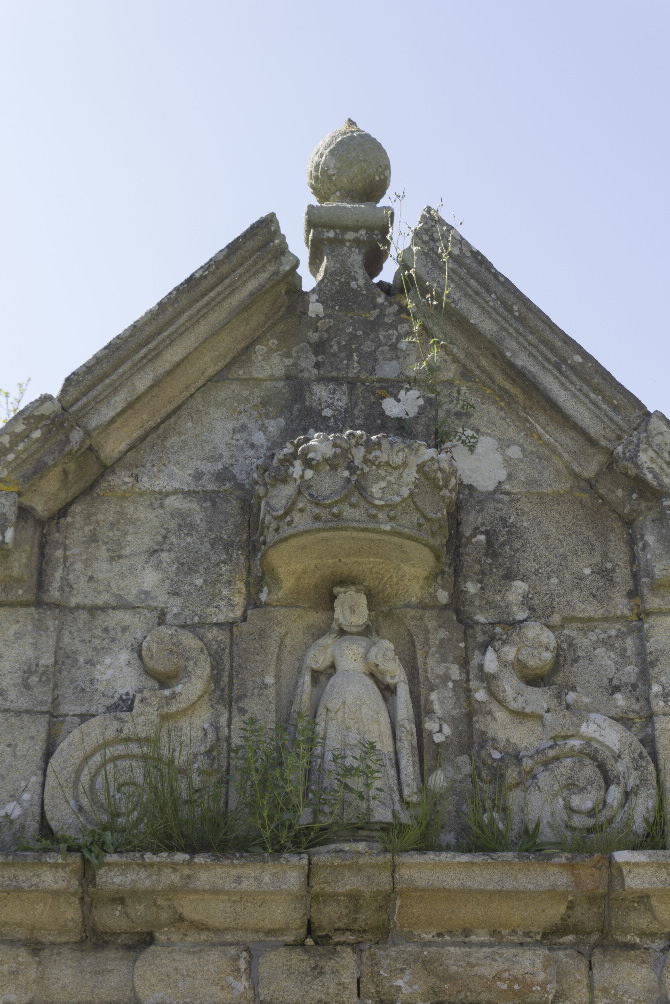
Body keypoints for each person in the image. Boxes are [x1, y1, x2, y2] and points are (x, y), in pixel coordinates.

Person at [291, 586, 420, 824]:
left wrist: (387, 660)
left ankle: (378, 810)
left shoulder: (373, 643)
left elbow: (389, 676)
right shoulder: (334, 642)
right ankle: (329, 809)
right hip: (336, 694)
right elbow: (315, 663)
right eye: (347, 607)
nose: (353, 611)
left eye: (357, 607)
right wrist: (326, 638)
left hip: (367, 697)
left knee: (371, 745)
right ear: (338, 612)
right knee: (333, 744)